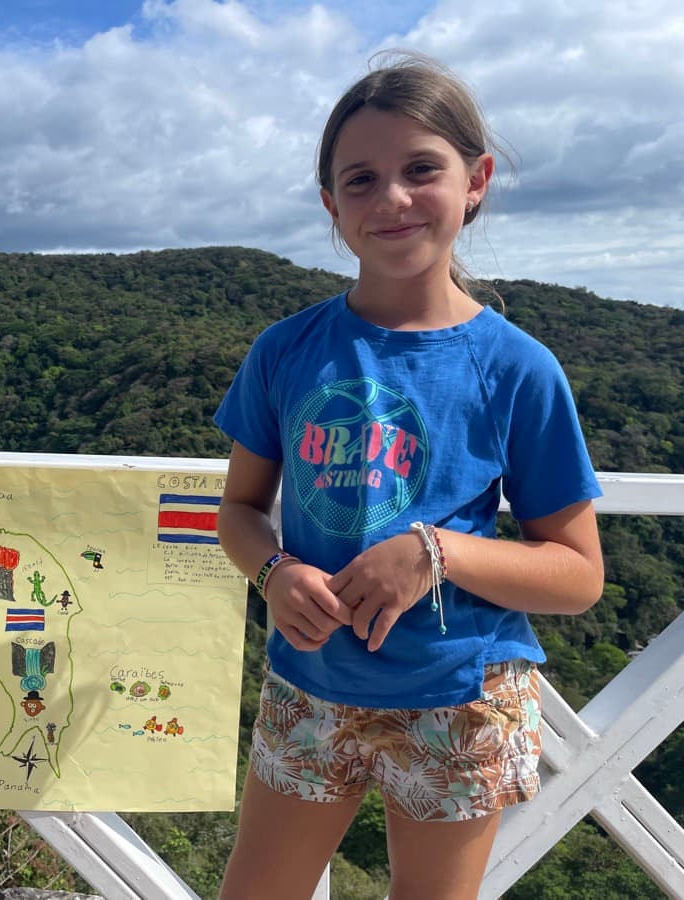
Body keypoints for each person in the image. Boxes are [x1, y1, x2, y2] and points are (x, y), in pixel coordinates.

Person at [214, 52, 604, 900]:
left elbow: (578, 576)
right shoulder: (286, 351)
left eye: (421, 169)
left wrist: (437, 552)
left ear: (476, 181)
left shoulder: (517, 369)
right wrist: (272, 572)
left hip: (461, 695)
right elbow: (238, 511)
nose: (391, 199)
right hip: (309, 686)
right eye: (361, 179)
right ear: (332, 205)